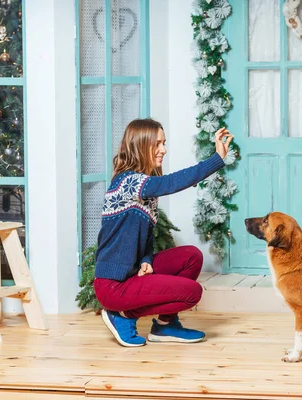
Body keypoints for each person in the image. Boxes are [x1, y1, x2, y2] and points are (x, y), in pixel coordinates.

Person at [93, 118, 233, 347]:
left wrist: (146, 259)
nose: (163, 150)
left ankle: (166, 325)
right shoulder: (128, 182)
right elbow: (172, 182)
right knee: (192, 293)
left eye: (164, 143)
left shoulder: (147, 190)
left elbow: (143, 238)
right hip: (113, 286)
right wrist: (216, 159)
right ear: (140, 145)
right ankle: (122, 315)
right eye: (157, 144)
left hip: (132, 274)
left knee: (191, 257)